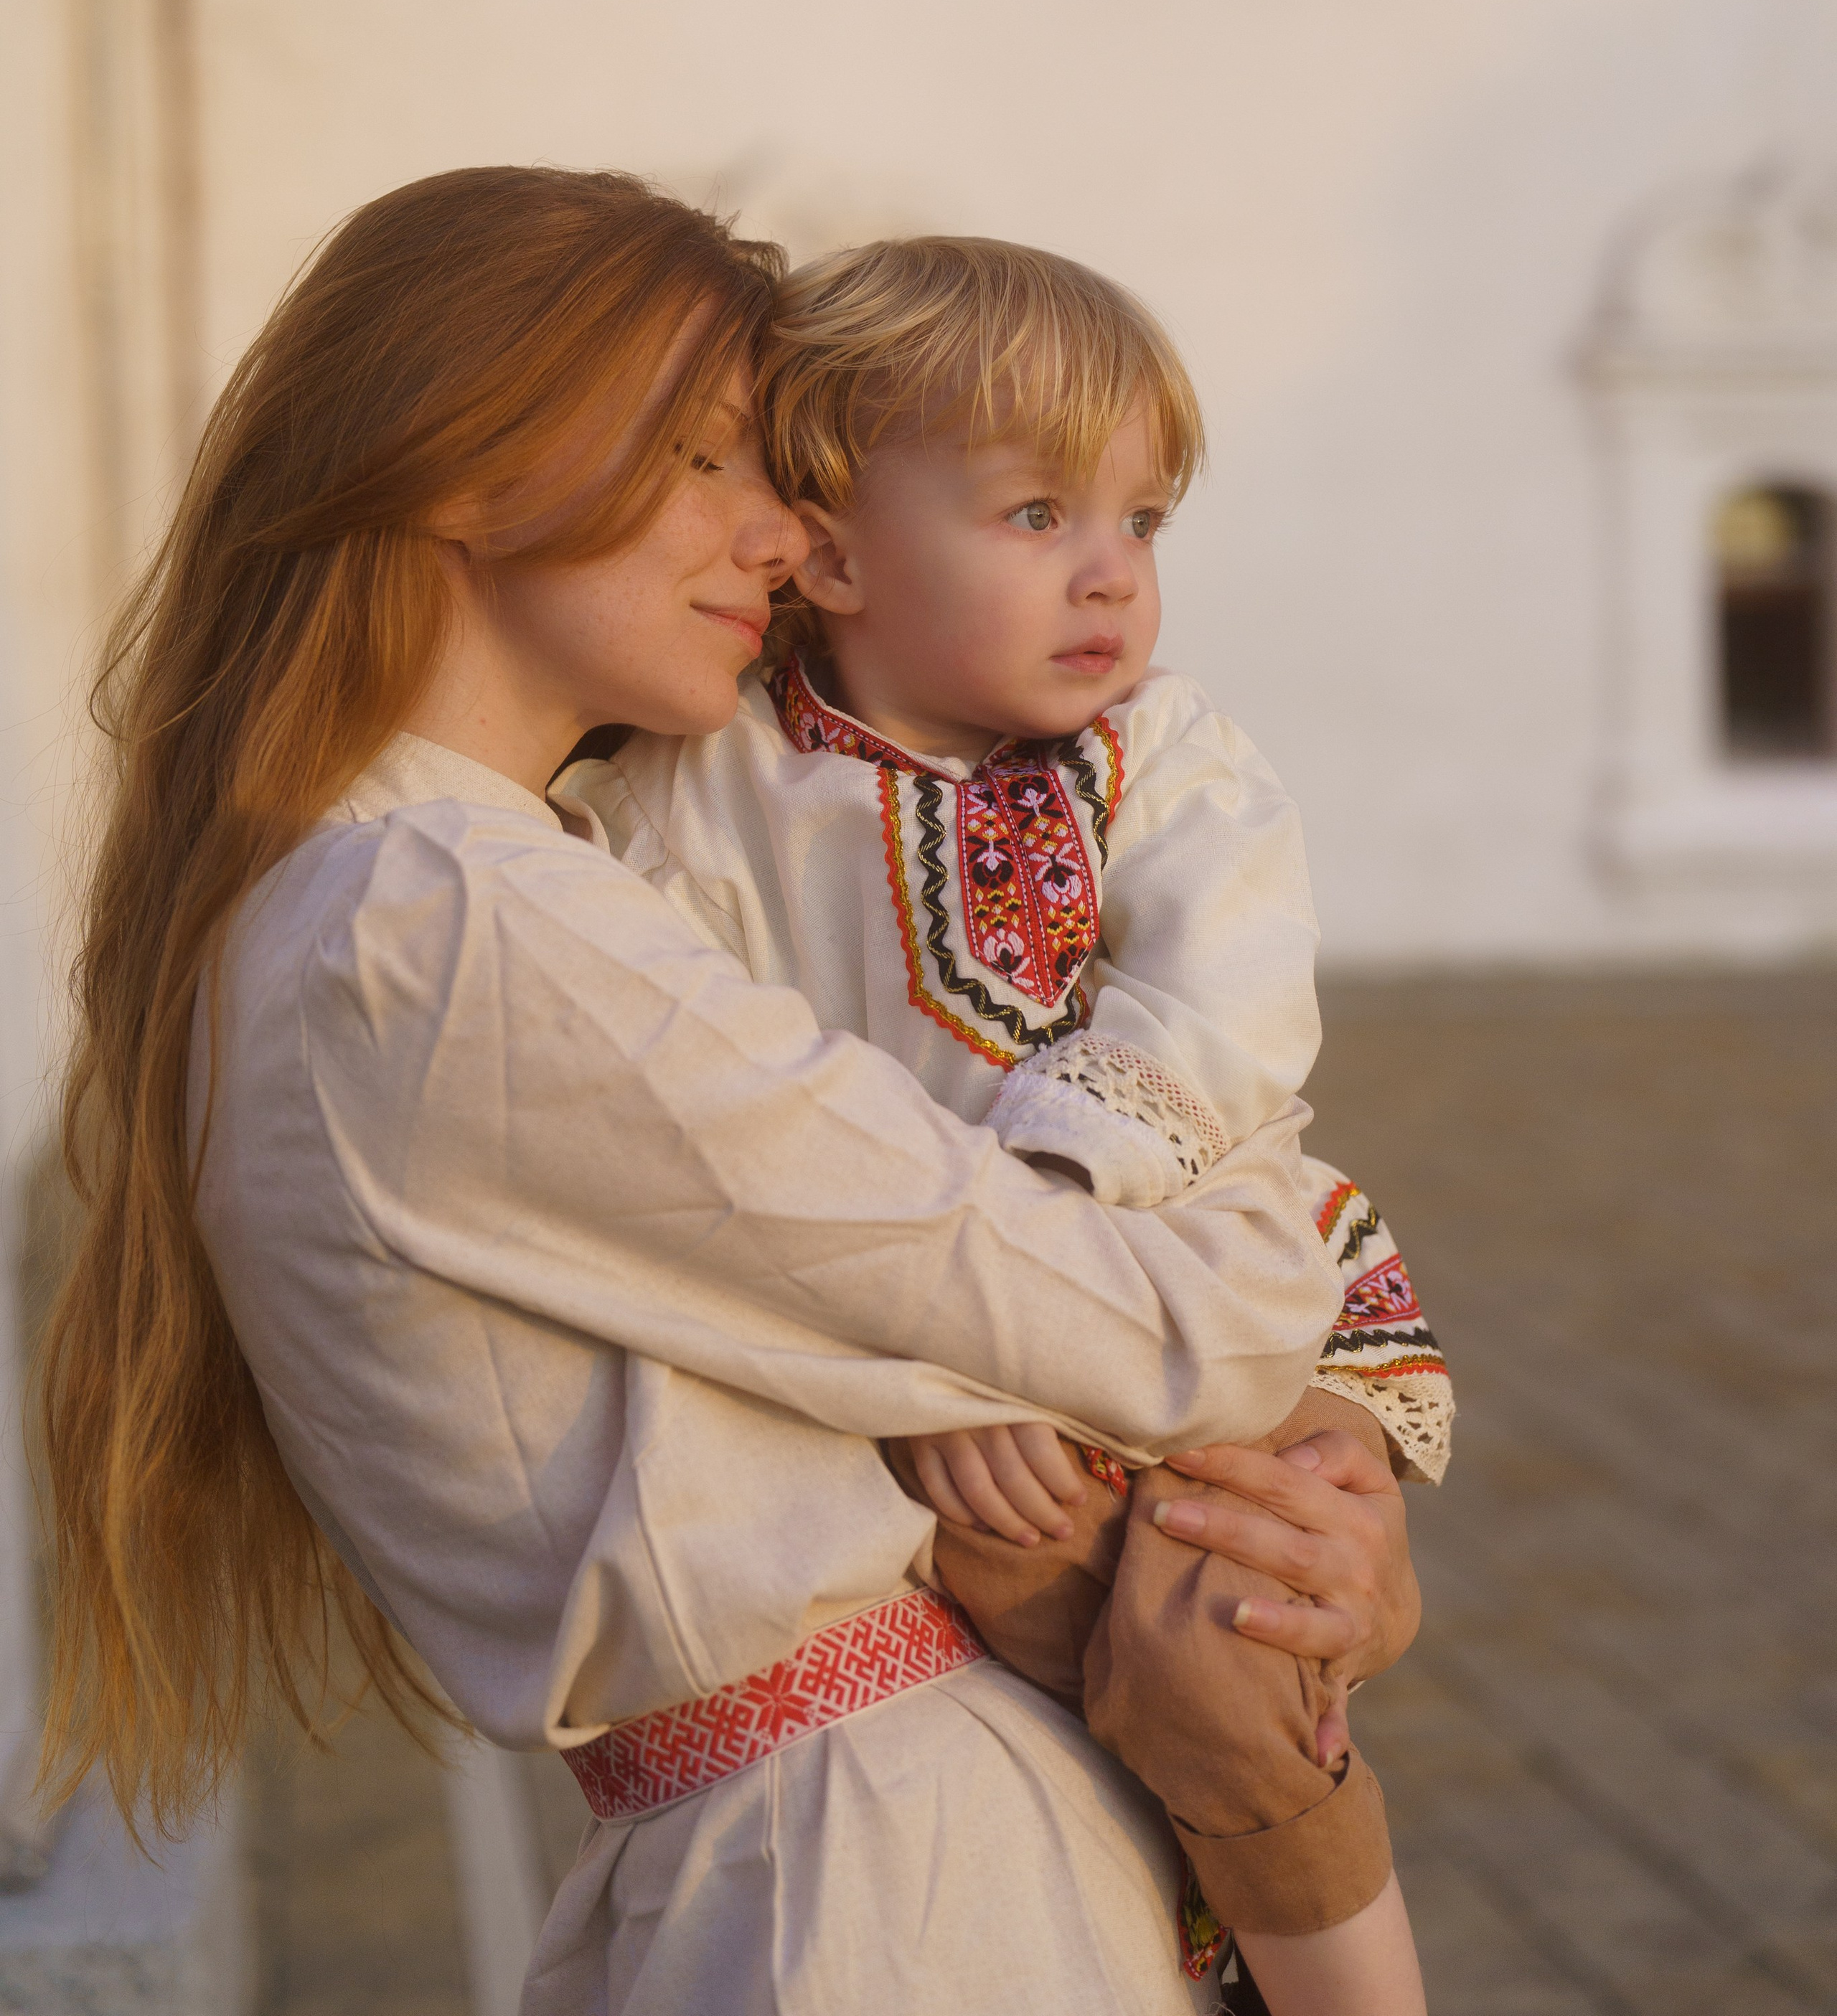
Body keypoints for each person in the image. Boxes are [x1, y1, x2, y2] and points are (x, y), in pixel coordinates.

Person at [40, 166, 1424, 2016]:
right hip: (881, 1890)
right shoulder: (442, 921)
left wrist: (1294, 1502)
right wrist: (1296, 1283)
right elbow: (1127, 1320)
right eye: (707, 459)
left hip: (843, 1851)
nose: (781, 534)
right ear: (463, 467)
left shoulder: (438, 887)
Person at [560, 234, 1448, 2015]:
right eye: (1036, 515)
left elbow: (1217, 1025)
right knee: (1028, 1602)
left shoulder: (1163, 763)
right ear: (829, 544)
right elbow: (701, 1133)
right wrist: (950, 1371)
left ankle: (1358, 1992)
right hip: (925, 1383)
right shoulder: (700, 793)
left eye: (1142, 523)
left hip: (1197, 1285)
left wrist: (1034, 1247)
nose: (1109, 575)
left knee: (1231, 1634)